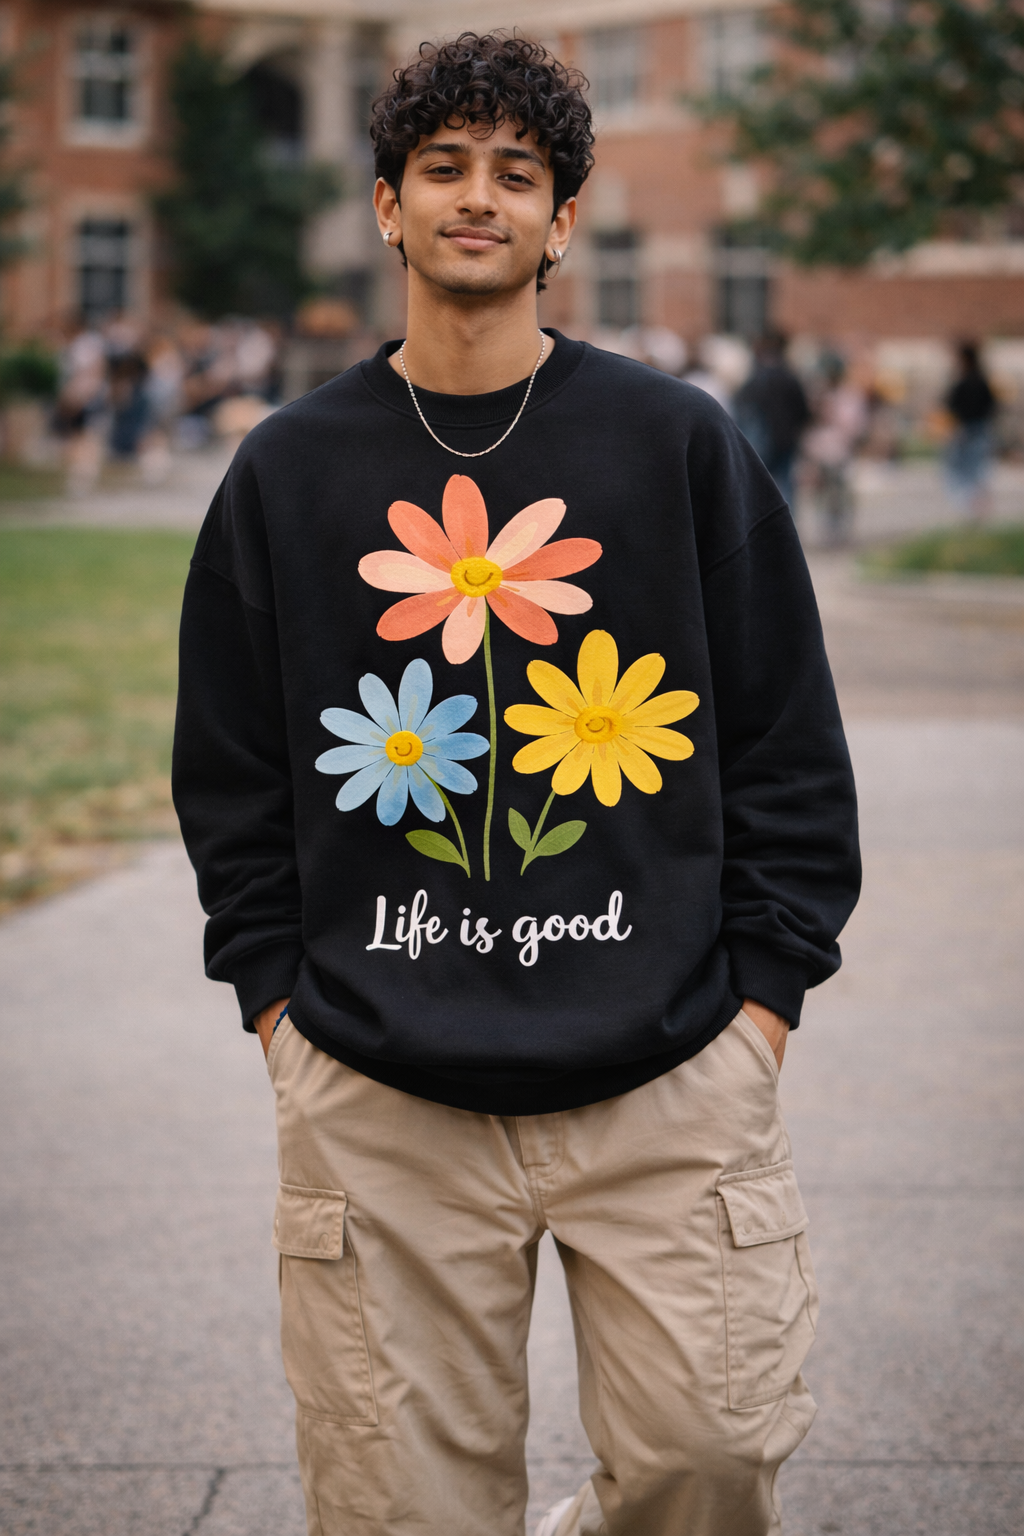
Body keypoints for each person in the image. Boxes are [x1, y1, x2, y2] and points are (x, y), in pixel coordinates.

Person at [173, 32, 860, 1536]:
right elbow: (229, 771)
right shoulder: (288, 470)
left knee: (709, 1463)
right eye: (443, 168)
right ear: (387, 206)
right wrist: (287, 1015)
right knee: (398, 1509)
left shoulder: (675, 440)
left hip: (670, 1072)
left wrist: (761, 1010)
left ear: (562, 220)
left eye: (516, 173)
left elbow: (785, 738)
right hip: (381, 1085)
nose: (476, 198)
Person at [733, 332, 811, 511]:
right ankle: (787, 526)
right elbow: (802, 411)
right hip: (785, 439)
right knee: (786, 483)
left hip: (763, 441)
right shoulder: (789, 378)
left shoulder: (755, 380)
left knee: (762, 484)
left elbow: (742, 409)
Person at [803, 354, 869, 548]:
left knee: (840, 492)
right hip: (820, 450)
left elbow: (855, 425)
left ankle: (840, 529)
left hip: (840, 451)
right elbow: (809, 425)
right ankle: (827, 529)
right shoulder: (818, 395)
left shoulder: (849, 397)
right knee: (821, 493)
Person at [945, 341, 997, 521]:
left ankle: (969, 507)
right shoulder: (983, 382)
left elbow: (950, 406)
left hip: (965, 430)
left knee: (960, 470)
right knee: (978, 469)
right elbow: (992, 407)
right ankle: (978, 505)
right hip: (981, 429)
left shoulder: (962, 382)